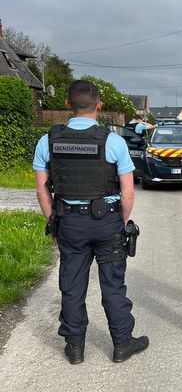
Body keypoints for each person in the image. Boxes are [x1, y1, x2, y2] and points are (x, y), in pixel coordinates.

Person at [33, 80, 148, 365]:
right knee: (113, 285)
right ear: (99, 106)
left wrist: (53, 223)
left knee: (72, 286)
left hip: (69, 222)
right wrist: (120, 222)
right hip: (107, 221)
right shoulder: (114, 141)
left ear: (67, 106)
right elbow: (128, 192)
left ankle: (75, 348)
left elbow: (41, 189)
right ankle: (122, 344)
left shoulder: (48, 141)